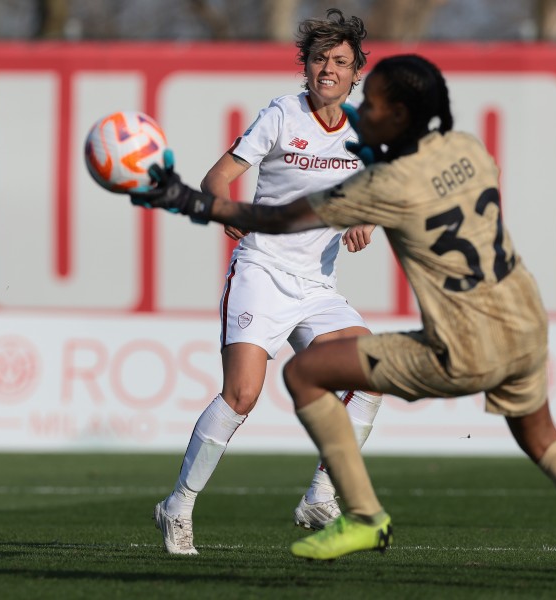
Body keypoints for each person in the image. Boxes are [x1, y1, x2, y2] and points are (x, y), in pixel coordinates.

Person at [131, 54, 556, 595]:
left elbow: (273, 219)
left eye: (377, 102)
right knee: (546, 440)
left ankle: (359, 513)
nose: (363, 108)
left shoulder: (383, 183)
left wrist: (179, 197)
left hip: (460, 345)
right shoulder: (471, 152)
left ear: (401, 112)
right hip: (525, 328)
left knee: (304, 376)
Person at [151, 8, 384, 556]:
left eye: (341, 62)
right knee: (243, 394)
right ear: (305, 66)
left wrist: (364, 221)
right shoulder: (282, 114)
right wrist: (223, 206)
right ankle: (177, 506)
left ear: (356, 74)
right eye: (321, 59)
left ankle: (320, 496)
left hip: (316, 285)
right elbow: (218, 176)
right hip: (261, 271)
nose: (329, 68)